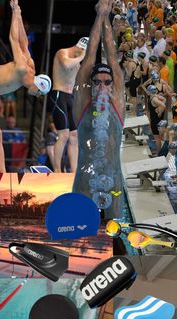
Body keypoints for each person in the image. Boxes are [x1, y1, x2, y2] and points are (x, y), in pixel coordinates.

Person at [0, 0, 51, 173]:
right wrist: (14, 12)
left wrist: (20, 16)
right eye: (38, 93)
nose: (36, 96)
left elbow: (24, 42)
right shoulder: (22, 68)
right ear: (37, 85)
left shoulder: (30, 65)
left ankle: (3, 173)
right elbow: (14, 39)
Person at [72, 0, 125, 219]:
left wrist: (106, 17)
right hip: (85, 181)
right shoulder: (83, 105)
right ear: (91, 85)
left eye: (107, 81)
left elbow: (112, 56)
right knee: (83, 242)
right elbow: (89, 57)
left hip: (114, 184)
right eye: (97, 82)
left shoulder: (117, 104)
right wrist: (99, 16)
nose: (102, 86)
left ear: (113, 85)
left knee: (117, 242)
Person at [48, 37, 88, 173]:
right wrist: (81, 56)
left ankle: (74, 171)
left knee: (74, 135)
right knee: (63, 134)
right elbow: (65, 65)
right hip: (58, 96)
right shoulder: (62, 53)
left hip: (70, 97)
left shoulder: (77, 63)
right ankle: (57, 170)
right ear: (80, 48)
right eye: (83, 53)